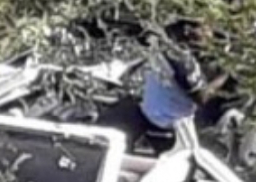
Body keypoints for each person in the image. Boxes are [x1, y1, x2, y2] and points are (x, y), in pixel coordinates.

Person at [96, 37, 226, 155]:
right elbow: (201, 97)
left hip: (169, 120)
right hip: (159, 117)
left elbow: (200, 95)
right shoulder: (177, 55)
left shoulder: (171, 52)